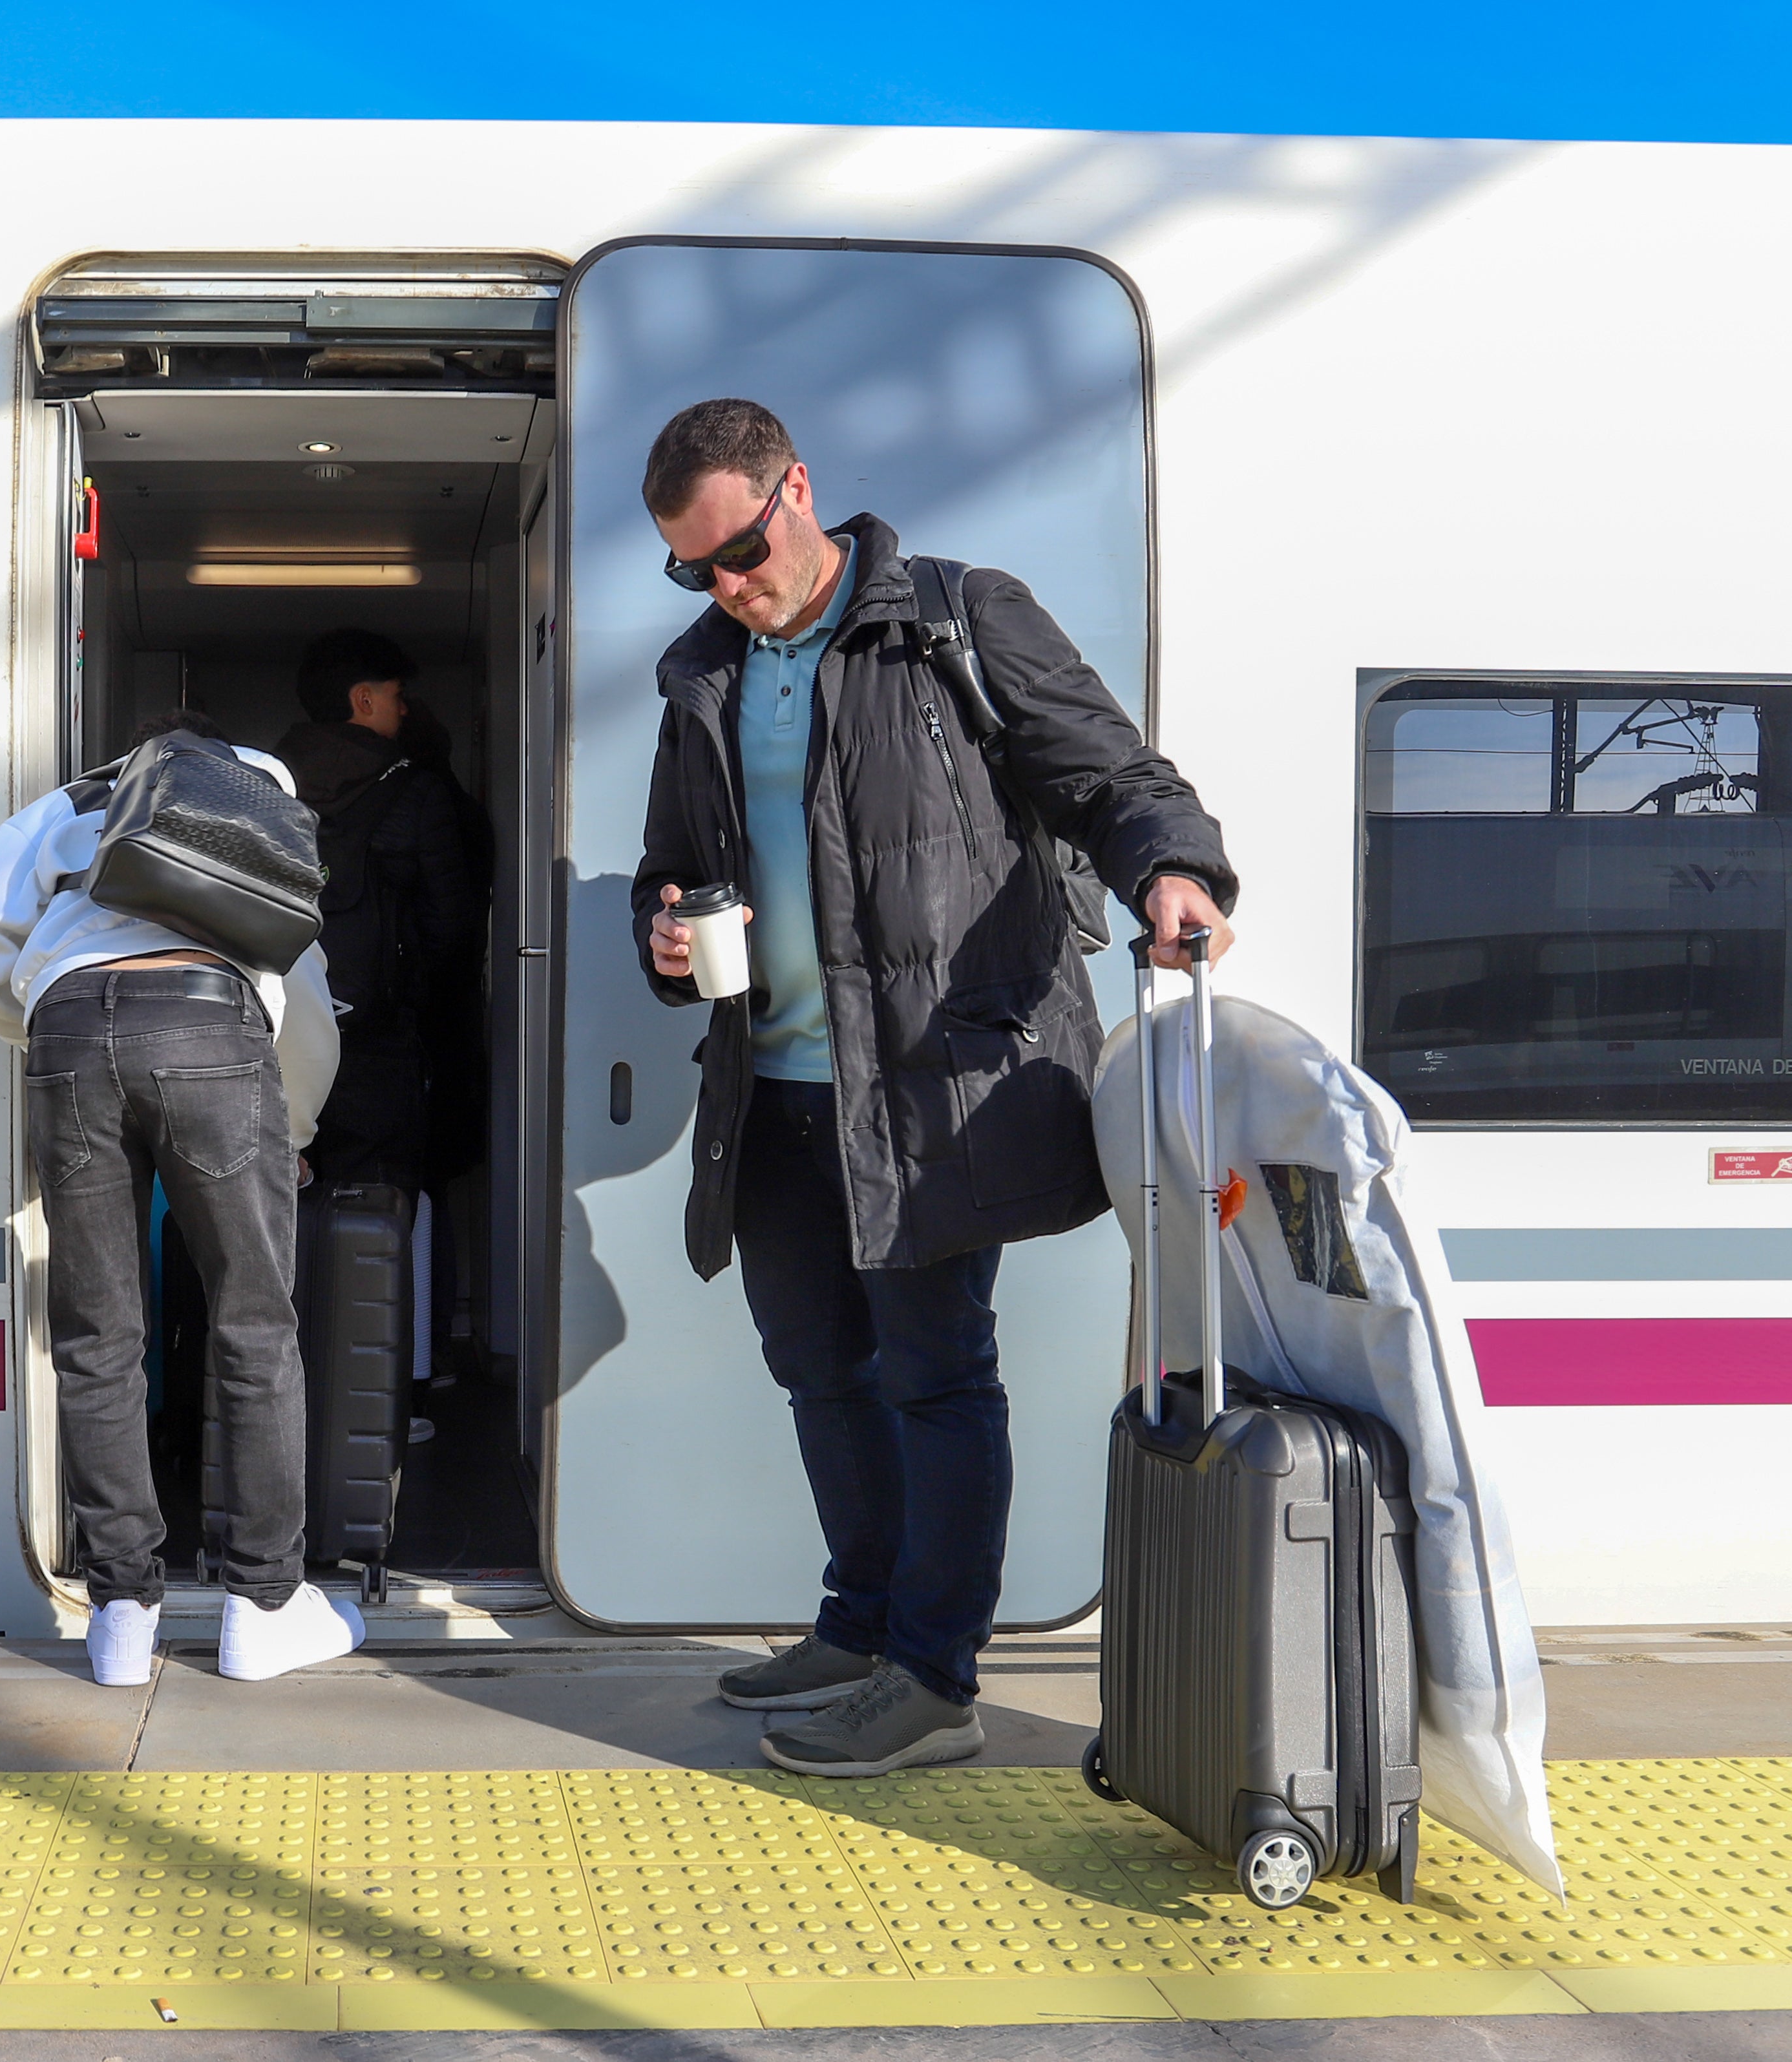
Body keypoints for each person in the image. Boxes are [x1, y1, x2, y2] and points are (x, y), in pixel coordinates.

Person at [632, 399, 1238, 1778]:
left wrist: (1172, 870)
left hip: (927, 1083)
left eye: (735, 548)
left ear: (795, 491)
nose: (725, 585)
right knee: (816, 1372)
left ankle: (932, 1674)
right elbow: (668, 865)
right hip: (771, 1085)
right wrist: (665, 936)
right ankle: (856, 1623)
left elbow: (1112, 774)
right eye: (692, 569)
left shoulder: (953, 618)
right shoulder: (701, 676)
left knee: (935, 1374)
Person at [0, 711, 364, 1688]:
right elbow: (296, 979)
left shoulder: (77, 796)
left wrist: (42, 1006)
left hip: (70, 1032)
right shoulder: (261, 787)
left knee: (97, 1333)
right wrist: (288, 1129)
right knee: (254, 1325)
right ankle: (263, 1605)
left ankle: (121, 1615)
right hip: (212, 1029)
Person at [269, 629, 490, 1199]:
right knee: (377, 1208)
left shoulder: (265, 787)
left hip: (274, 1037)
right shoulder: (416, 791)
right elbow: (451, 928)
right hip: (378, 1041)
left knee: (273, 1206)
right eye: (395, 694)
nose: (403, 706)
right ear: (363, 700)